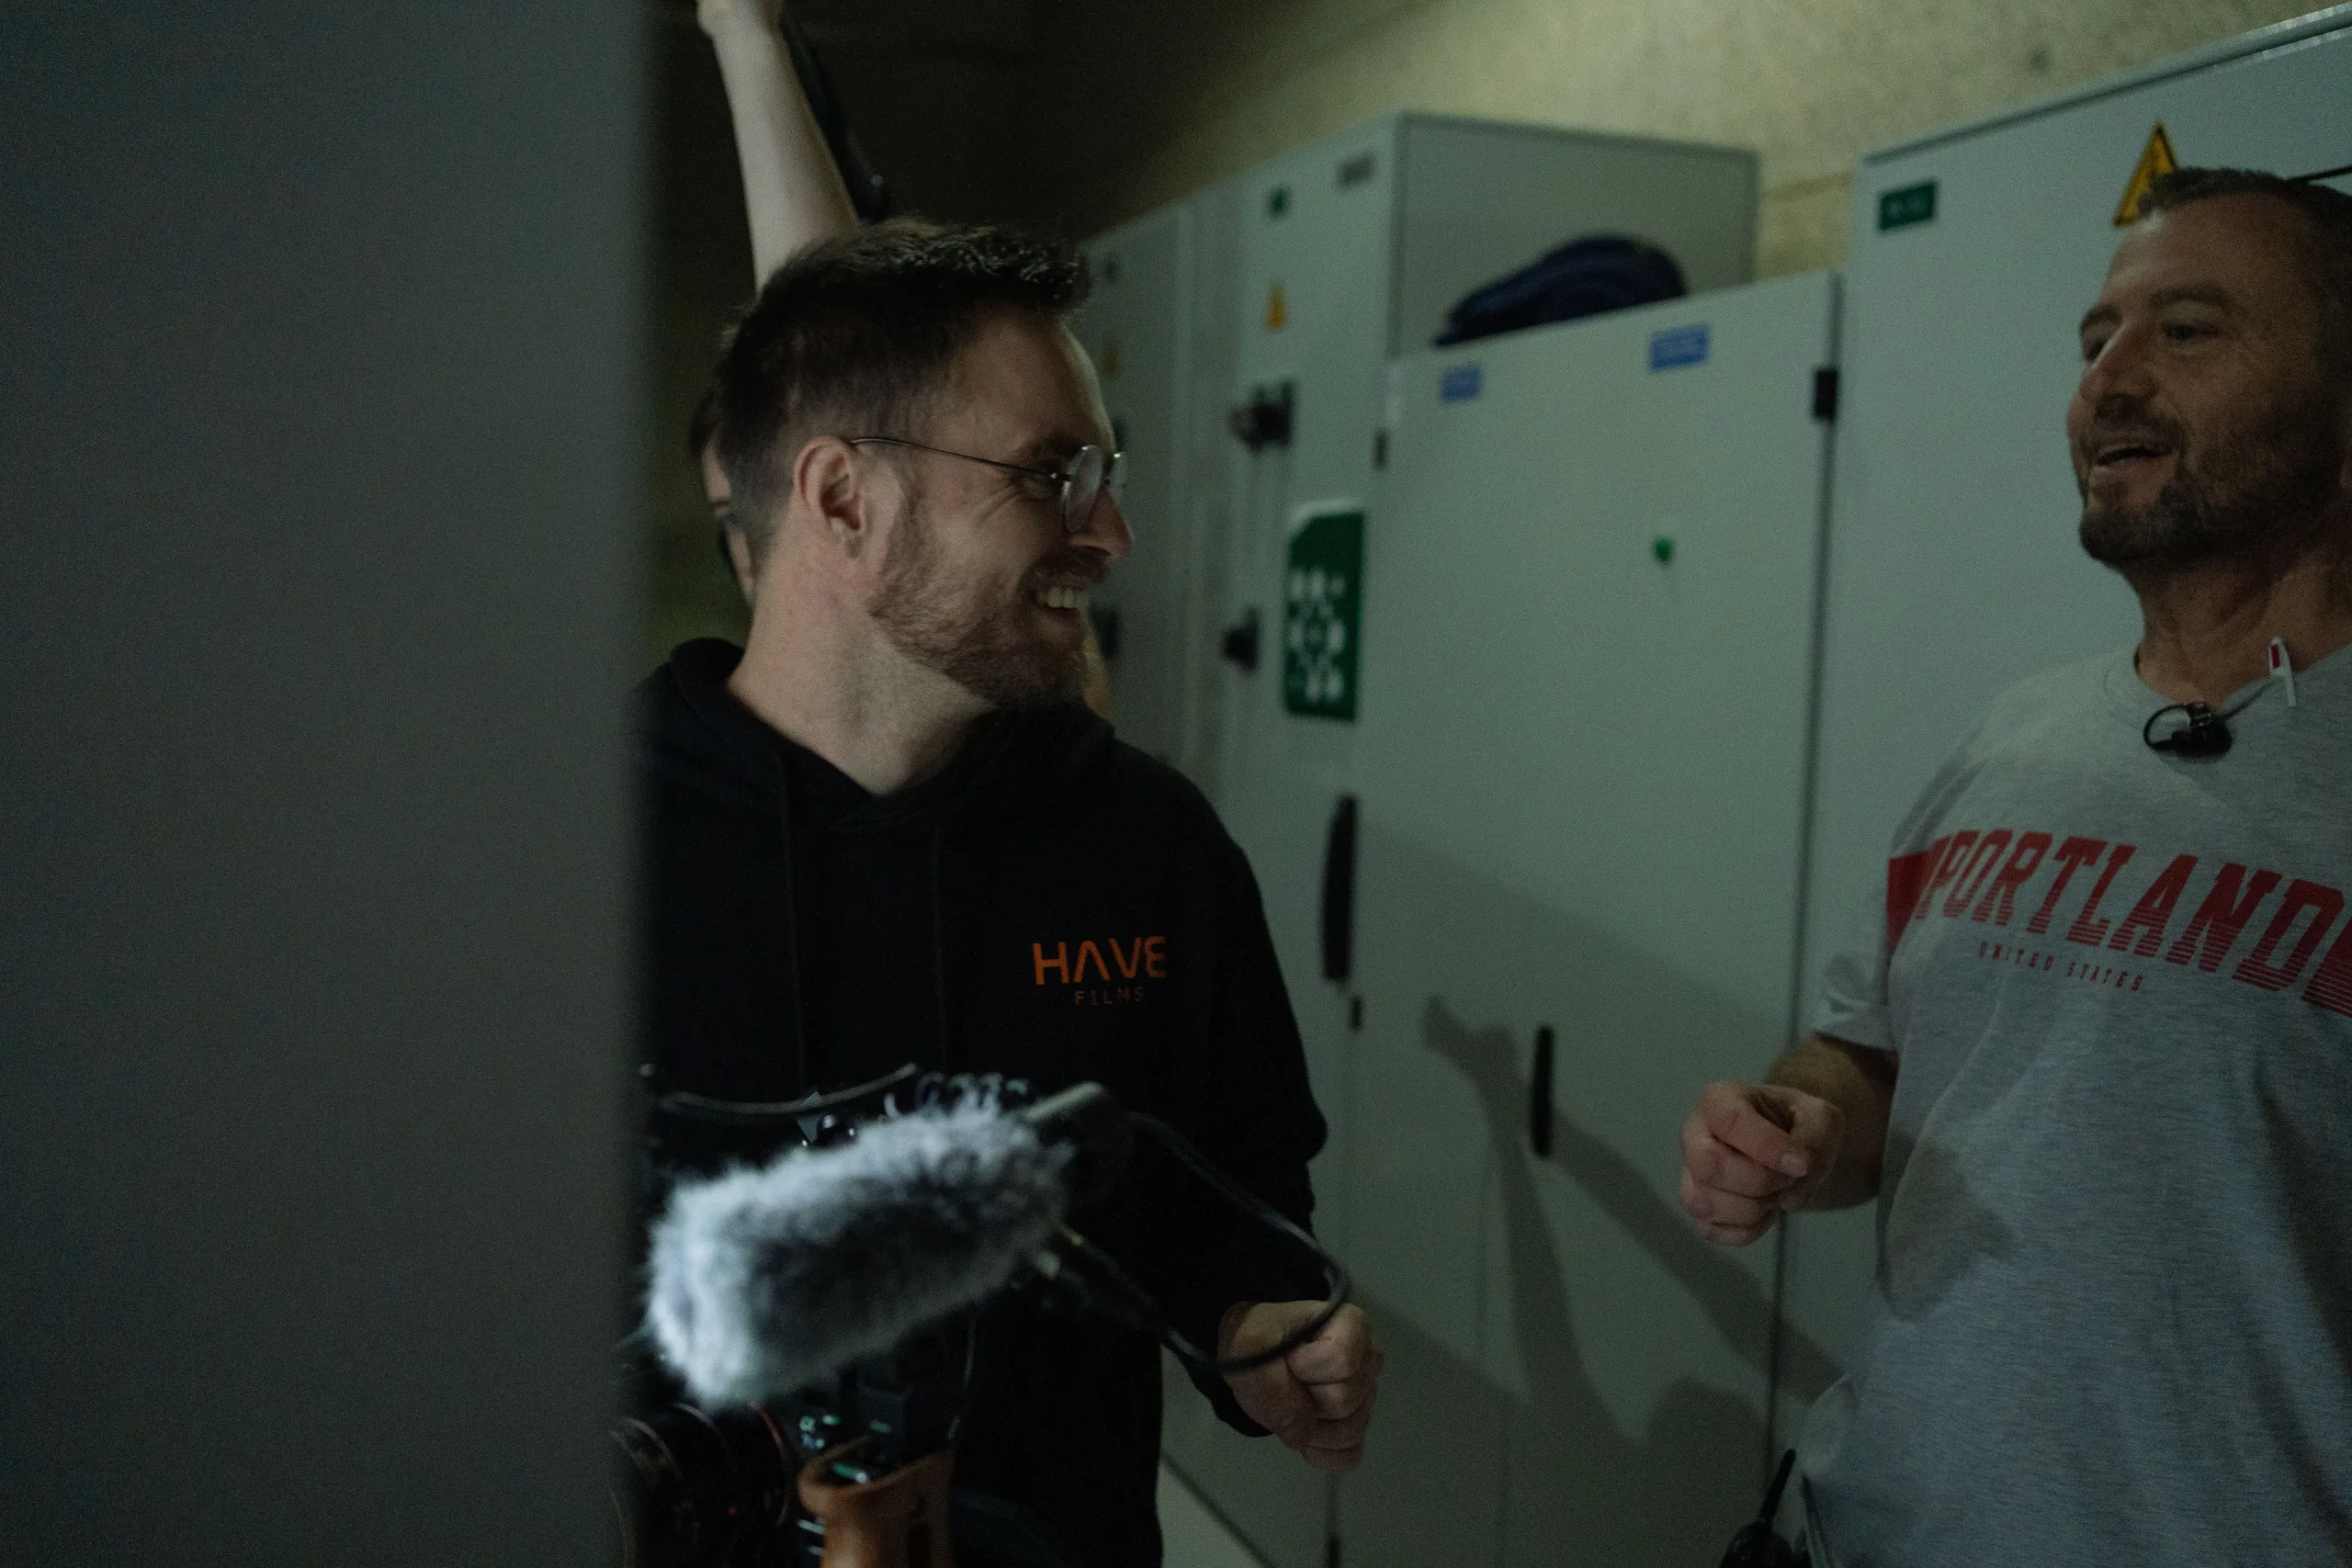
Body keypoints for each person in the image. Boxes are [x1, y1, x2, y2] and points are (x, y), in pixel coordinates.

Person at [638, 212, 1382, 1567]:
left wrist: (1258, 1326)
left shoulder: (1148, 845)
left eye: (1102, 475)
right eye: (1051, 474)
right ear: (844, 499)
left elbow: (1235, 1201)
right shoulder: (571, 858)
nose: (1114, 534)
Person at [1679, 167, 2352, 1564]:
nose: (2109, 381)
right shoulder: (2013, 740)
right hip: (1854, 1530)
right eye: (2097, 338)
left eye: (2187, 330)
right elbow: (1865, 1055)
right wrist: (1800, 1126)